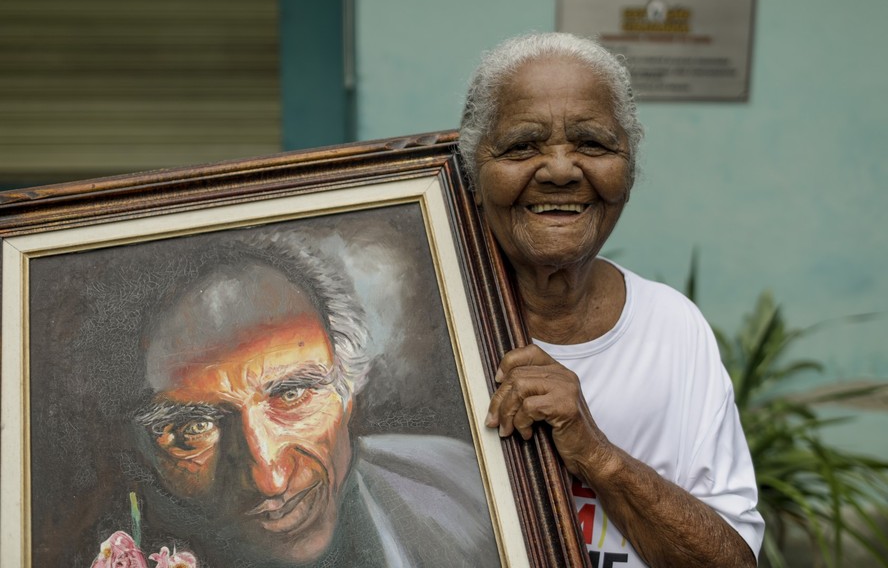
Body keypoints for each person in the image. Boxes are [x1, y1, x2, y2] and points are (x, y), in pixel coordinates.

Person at [460, 32, 765, 567]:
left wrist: (596, 454)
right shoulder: (430, 323)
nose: (559, 170)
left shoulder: (672, 328)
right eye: (522, 146)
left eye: (593, 144)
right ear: (472, 175)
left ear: (628, 168)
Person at [126, 234, 498, 567]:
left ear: (347, 390)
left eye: (292, 394)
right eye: (195, 427)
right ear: (142, 450)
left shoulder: (469, 489)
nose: (269, 480)